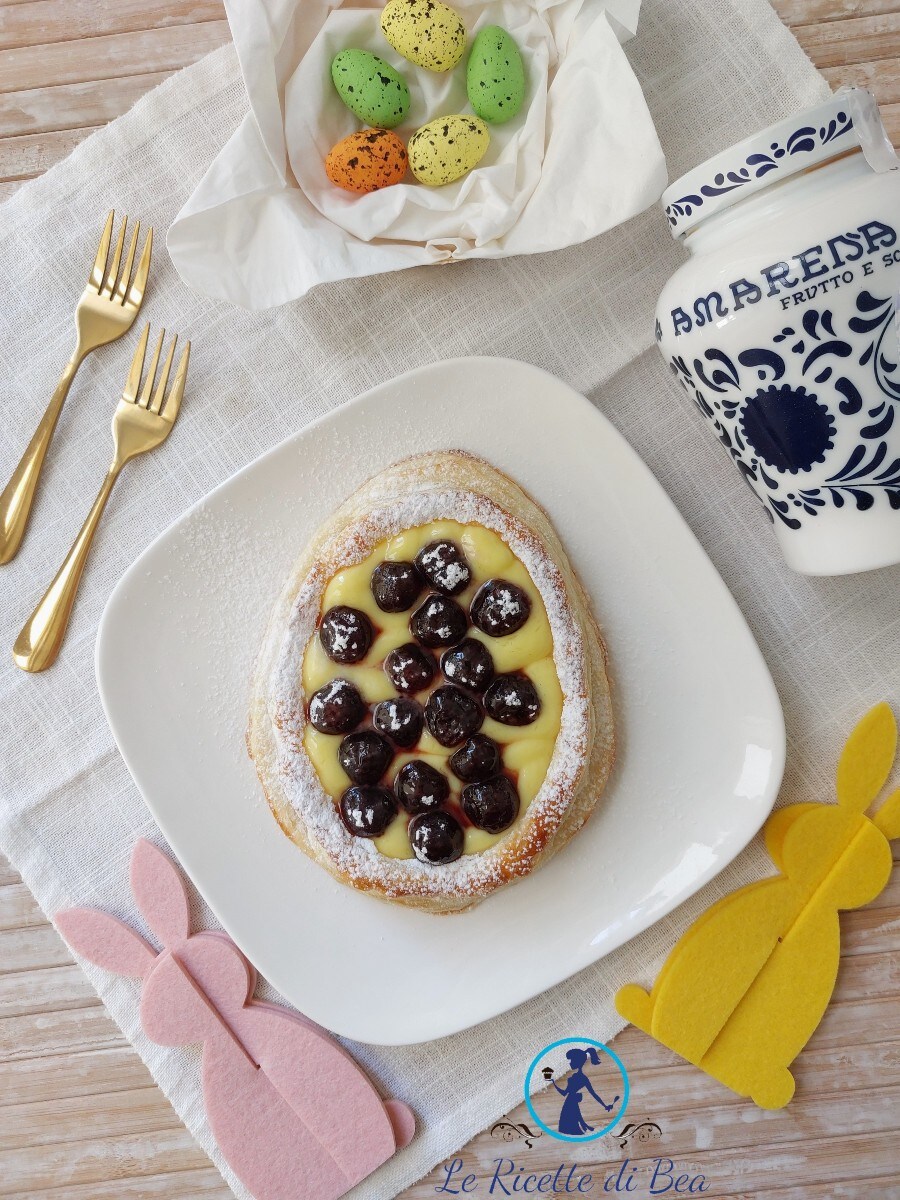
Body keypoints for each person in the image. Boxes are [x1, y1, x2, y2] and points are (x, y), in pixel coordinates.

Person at [551, 1047, 615, 1136]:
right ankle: (585, 1128)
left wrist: (604, 1105)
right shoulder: (574, 1077)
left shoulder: (582, 1078)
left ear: (577, 1061)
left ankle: (584, 1128)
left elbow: (593, 1094)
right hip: (569, 1102)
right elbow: (564, 1093)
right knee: (571, 1125)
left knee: (570, 1126)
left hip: (570, 1102)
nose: (570, 1063)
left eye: (571, 1060)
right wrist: (553, 1083)